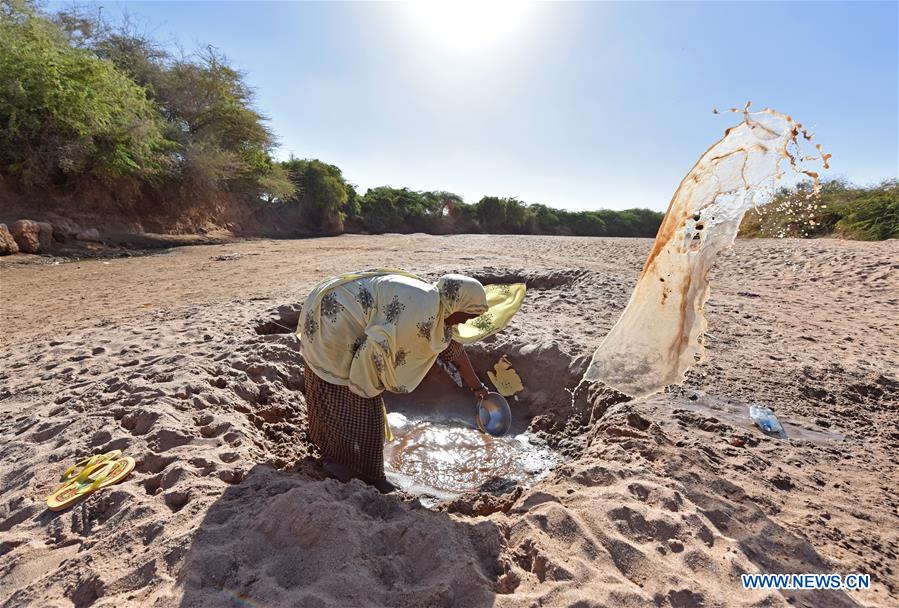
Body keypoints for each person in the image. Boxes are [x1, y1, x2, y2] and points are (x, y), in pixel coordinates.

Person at [298, 270, 493, 493]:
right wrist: (369, 386)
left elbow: (451, 347)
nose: (466, 321)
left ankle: (331, 449)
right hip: (334, 320)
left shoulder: (435, 303)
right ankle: (362, 472)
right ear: (456, 304)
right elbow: (374, 350)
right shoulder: (422, 312)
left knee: (353, 399)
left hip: (333, 307)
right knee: (354, 402)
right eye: (467, 315)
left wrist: (478, 387)